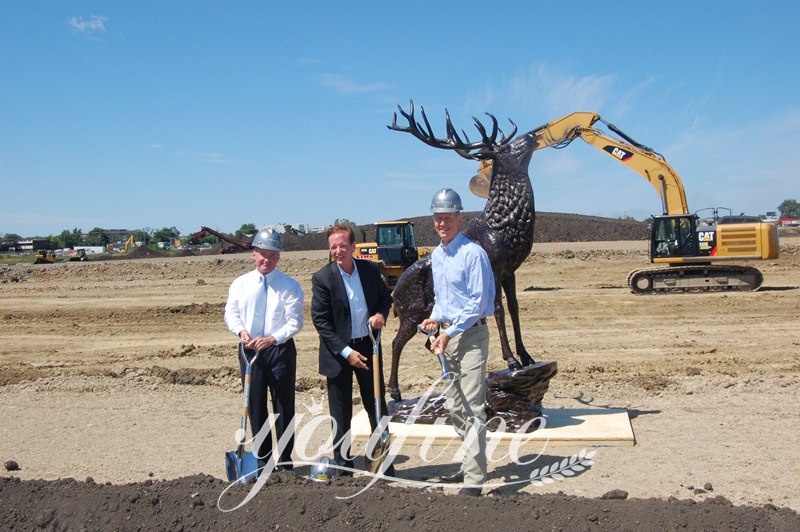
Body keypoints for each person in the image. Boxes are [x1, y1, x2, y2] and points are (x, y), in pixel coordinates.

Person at [419, 188, 495, 497]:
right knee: (454, 406)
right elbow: (443, 300)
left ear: (459, 219)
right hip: (446, 337)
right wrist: (435, 320)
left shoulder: (472, 253)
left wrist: (450, 331)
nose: (442, 224)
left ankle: (474, 480)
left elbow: (477, 303)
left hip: (471, 335)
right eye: (438, 219)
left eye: (448, 218)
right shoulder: (437, 255)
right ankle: (468, 463)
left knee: (474, 405)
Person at [311, 224, 394, 476]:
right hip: (339, 354)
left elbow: (385, 298)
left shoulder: (370, 270)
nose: (338, 251)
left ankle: (383, 461)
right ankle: (344, 466)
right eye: (333, 247)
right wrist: (347, 352)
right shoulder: (323, 278)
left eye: (342, 246)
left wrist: (380, 314)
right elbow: (321, 321)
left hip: (368, 348)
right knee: (341, 410)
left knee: (377, 405)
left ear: (353, 246)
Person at [224, 227, 304, 473]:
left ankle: (285, 460)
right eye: (262, 254)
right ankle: (263, 460)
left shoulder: (290, 286)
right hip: (250, 352)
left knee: (283, 406)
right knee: (255, 406)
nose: (266, 260)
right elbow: (231, 313)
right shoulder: (240, 284)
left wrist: (272, 338)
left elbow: (295, 322)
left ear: (278, 257)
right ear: (253, 254)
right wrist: (241, 331)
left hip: (279, 351)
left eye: (272, 255)